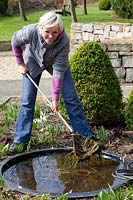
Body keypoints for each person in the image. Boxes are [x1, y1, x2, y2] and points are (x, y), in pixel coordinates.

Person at [9, 11, 94, 153]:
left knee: (71, 97)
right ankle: (20, 142)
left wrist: (55, 99)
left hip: (55, 62)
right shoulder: (30, 31)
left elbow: (59, 72)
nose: (51, 36)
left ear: (59, 31)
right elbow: (14, 41)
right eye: (47, 32)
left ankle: (85, 137)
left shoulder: (64, 41)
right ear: (40, 28)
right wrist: (20, 63)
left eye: (55, 33)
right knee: (27, 100)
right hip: (33, 60)